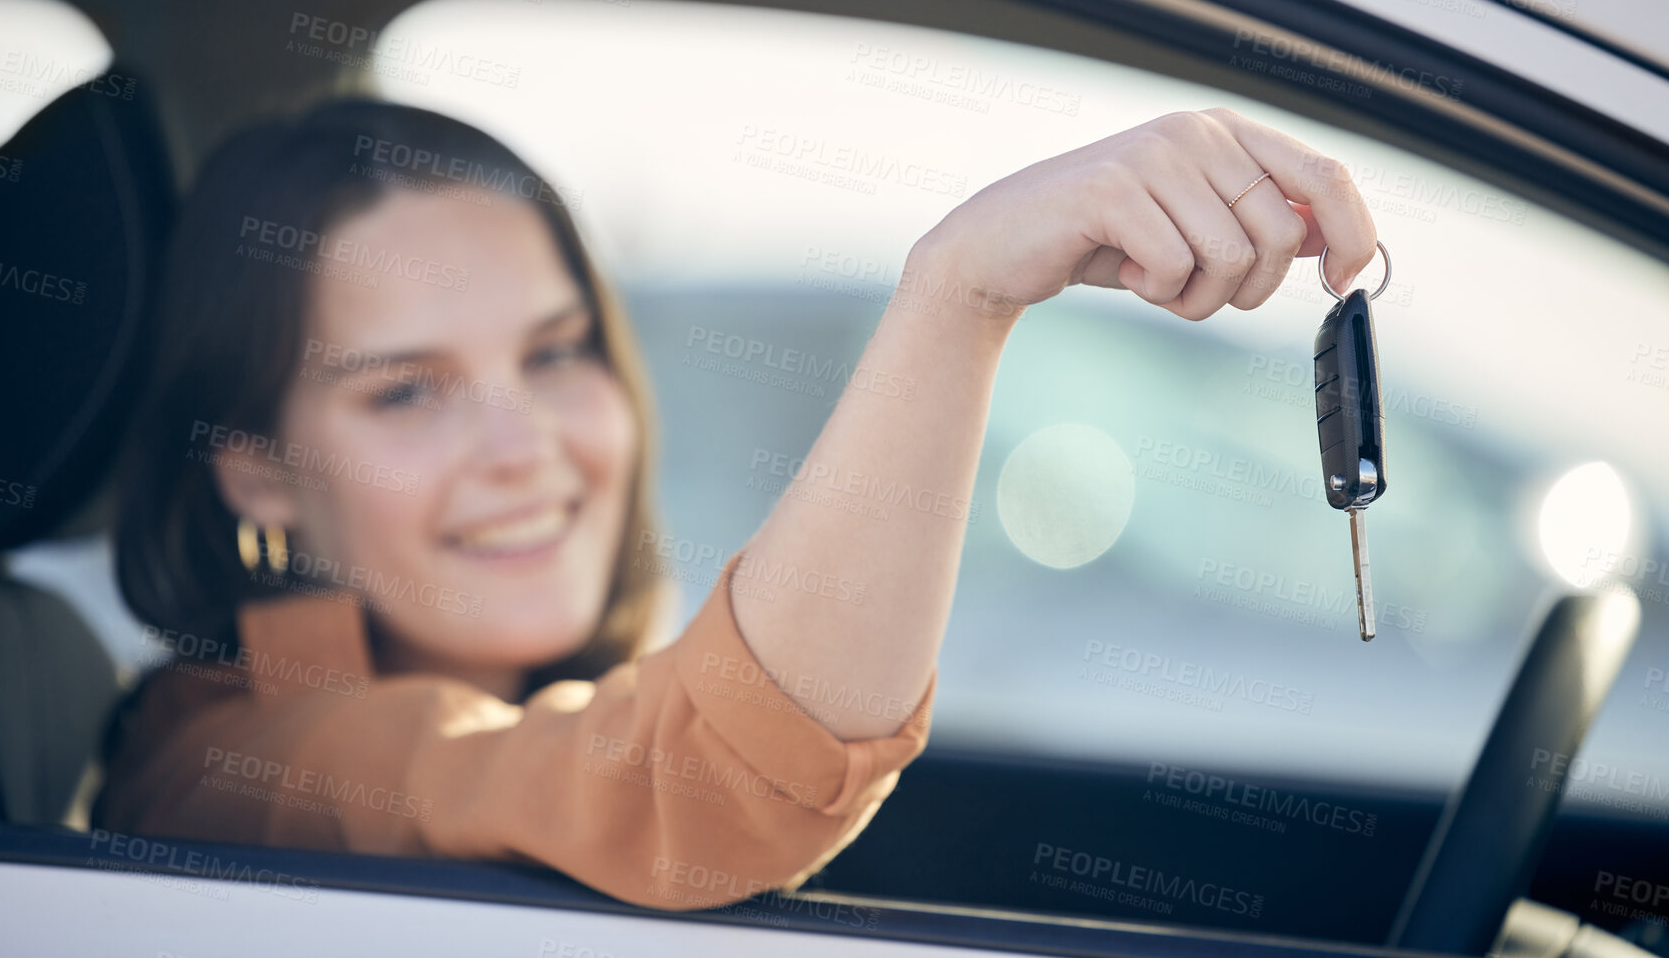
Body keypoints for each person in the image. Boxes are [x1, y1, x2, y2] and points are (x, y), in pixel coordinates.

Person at [94, 98, 1376, 908]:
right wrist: (962, 294)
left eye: (554, 354)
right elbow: (700, 786)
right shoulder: (250, 764)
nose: (525, 445)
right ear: (258, 468)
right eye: (406, 394)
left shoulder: (494, 696)